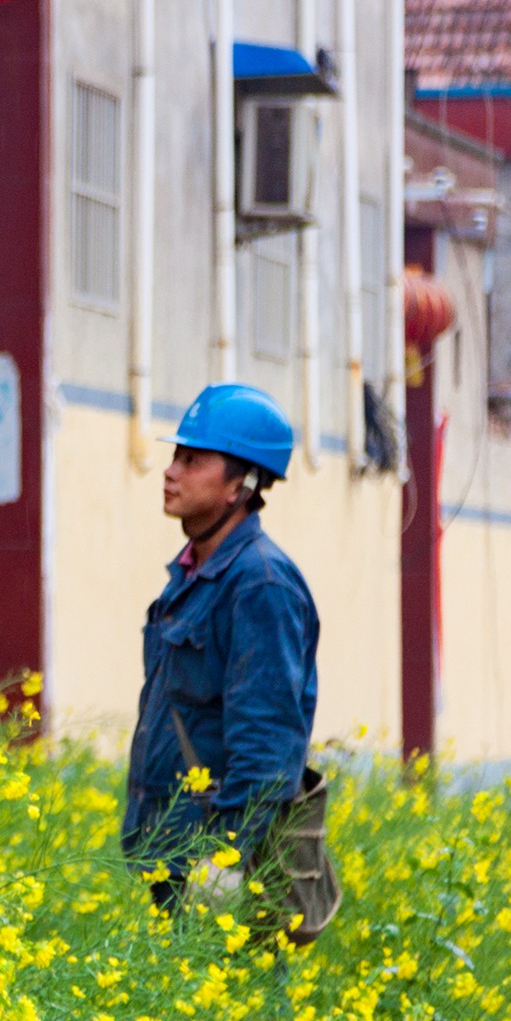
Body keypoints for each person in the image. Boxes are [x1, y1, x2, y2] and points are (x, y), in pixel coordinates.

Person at [124, 383, 320, 913]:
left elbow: (268, 743)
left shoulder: (260, 585)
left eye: (192, 460)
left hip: (216, 869)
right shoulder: (193, 575)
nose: (171, 471)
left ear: (241, 484)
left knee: (245, 991)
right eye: (174, 456)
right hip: (172, 853)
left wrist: (225, 861)